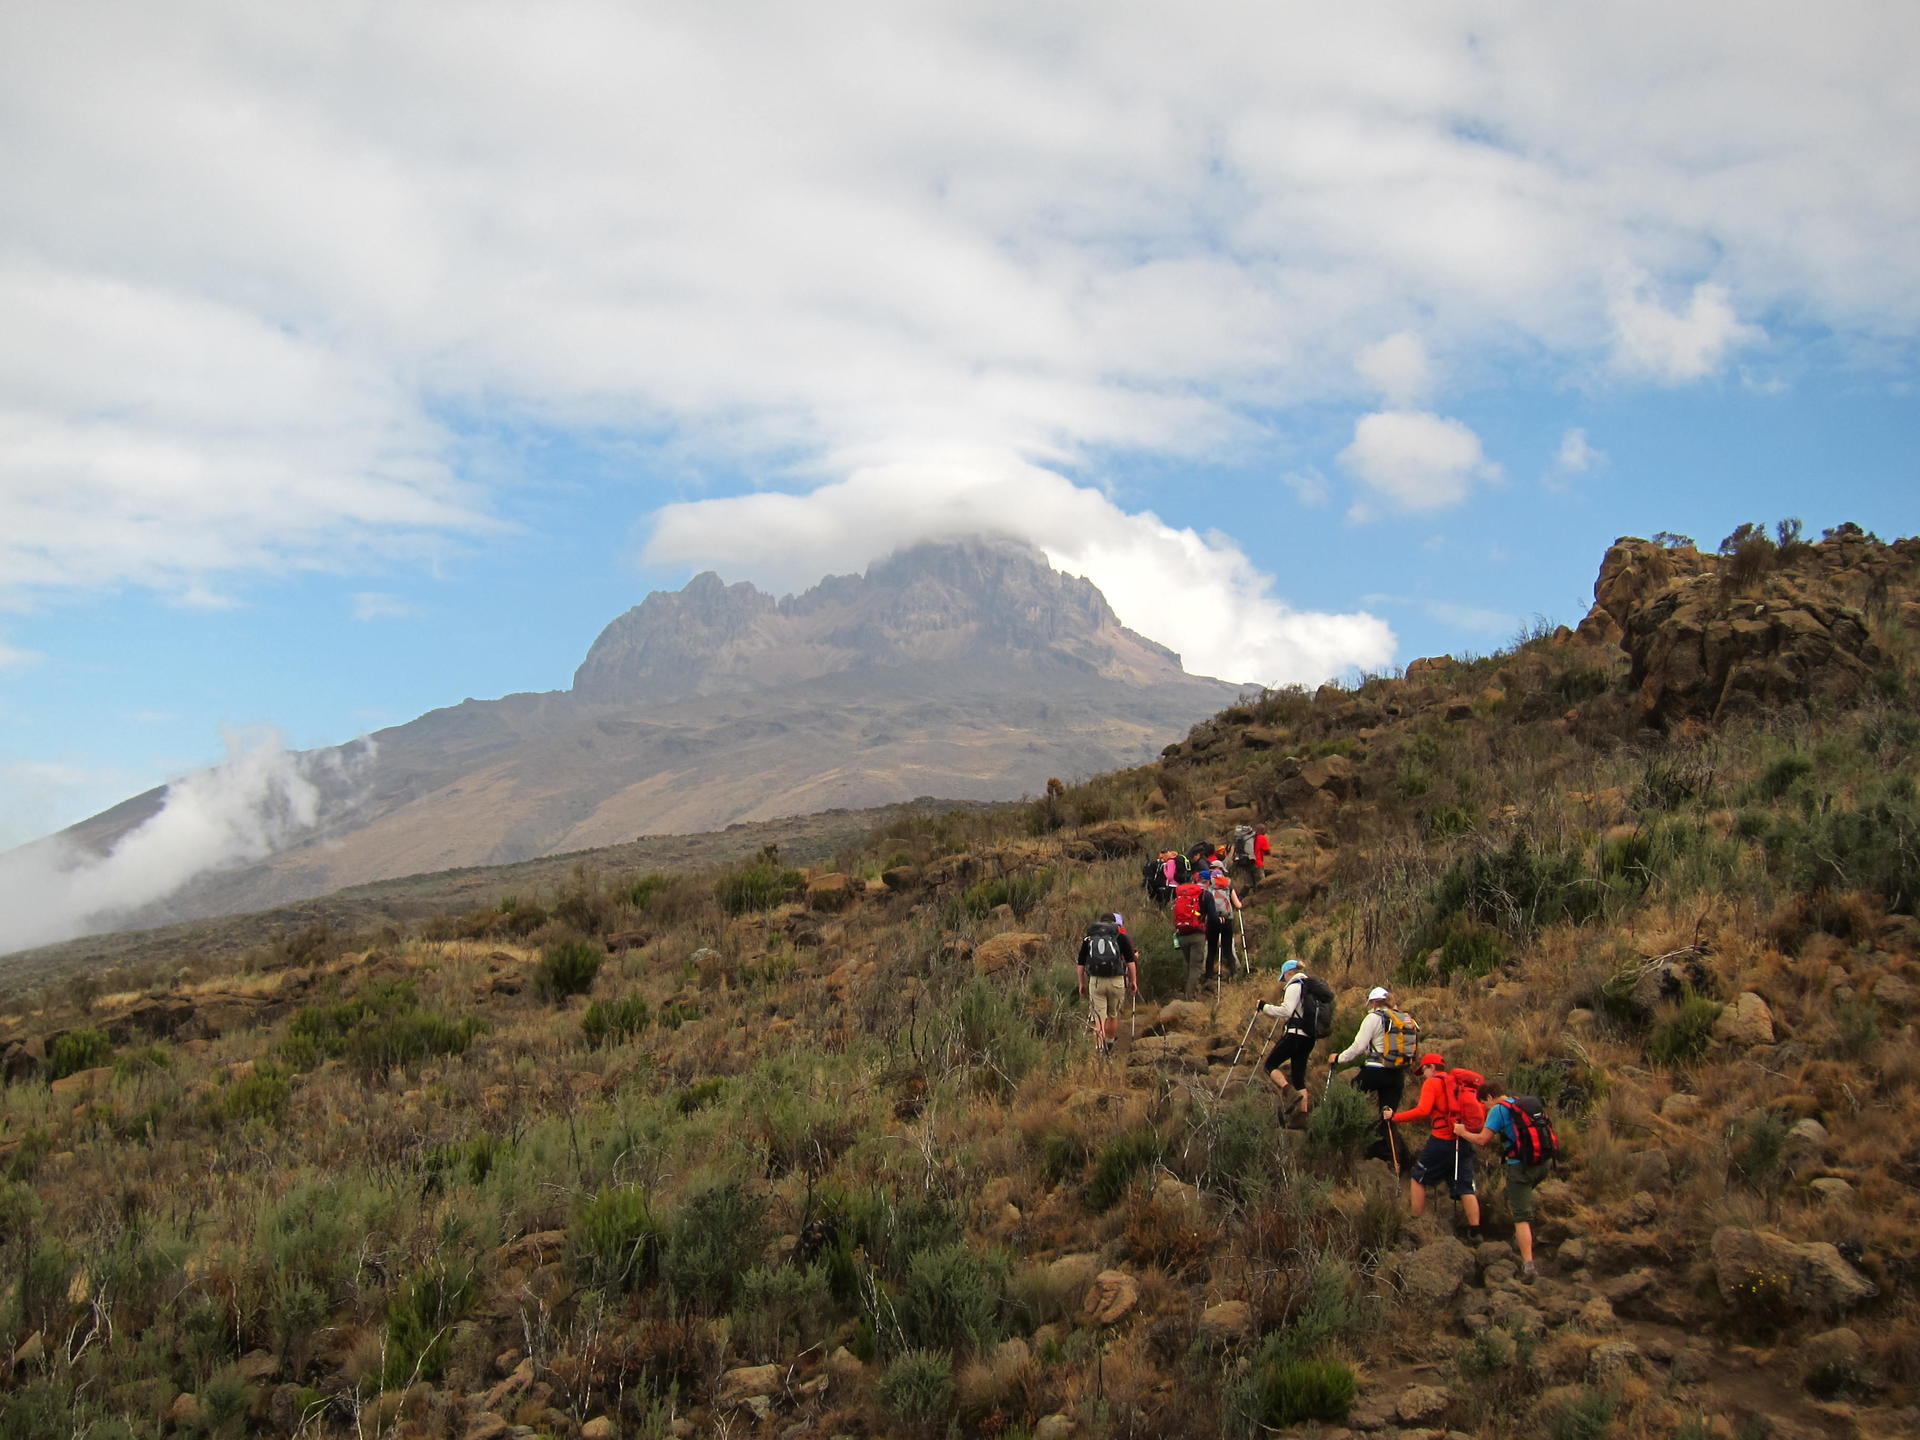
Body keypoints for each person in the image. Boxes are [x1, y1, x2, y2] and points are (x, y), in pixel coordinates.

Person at [1455, 1080, 1551, 1283]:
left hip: (1521, 1167)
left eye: (1483, 1103)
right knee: (1511, 1196)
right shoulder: (1520, 1103)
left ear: (1490, 1097)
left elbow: (1482, 1139)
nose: (1484, 1108)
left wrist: (1462, 1132)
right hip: (1544, 1163)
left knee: (1521, 1217)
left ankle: (1529, 1266)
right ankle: (1521, 1235)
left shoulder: (1498, 1110)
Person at [1386, 1054, 1486, 1239]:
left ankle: (1415, 1222)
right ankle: (1476, 1232)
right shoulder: (1458, 1083)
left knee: (1418, 1177)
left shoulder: (1432, 1083)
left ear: (1431, 1067)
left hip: (1441, 1141)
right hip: (1463, 1139)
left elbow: (1423, 1110)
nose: (1423, 1075)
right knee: (1465, 1187)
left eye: (1423, 1070)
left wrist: (1395, 1117)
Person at [1328, 986, 1417, 1163]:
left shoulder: (1373, 1018)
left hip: (1375, 1071)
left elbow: (1358, 1047)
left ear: (1374, 1002)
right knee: (1388, 1118)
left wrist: (1338, 1058)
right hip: (1396, 1074)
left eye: (1369, 1003)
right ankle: (1401, 1161)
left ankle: (1342, 1142)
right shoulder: (1402, 1018)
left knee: (1347, 1097)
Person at [1256, 958, 1323, 1118]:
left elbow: (1287, 1011)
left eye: (1284, 976)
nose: (1284, 980)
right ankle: (1302, 1116)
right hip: (1309, 1037)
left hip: (1295, 1035)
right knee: (1299, 1078)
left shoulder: (1294, 985)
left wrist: (1264, 1007)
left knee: (1270, 1065)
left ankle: (1289, 1092)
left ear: (1289, 973)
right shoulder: (1312, 988)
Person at [1076, 912, 1140, 1056]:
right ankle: (1109, 1044)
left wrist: (1081, 984)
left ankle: (1099, 1050)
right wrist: (1133, 981)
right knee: (1112, 1015)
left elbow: (1080, 964)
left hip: (1096, 981)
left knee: (1099, 1019)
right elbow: (1130, 962)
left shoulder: (1089, 938)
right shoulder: (1121, 937)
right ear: (1115, 923)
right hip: (1116, 981)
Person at [1170, 871, 1212, 997]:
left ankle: (1190, 991)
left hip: (1182, 933)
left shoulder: (1183, 894)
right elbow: (1213, 917)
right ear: (1208, 882)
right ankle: (1189, 997)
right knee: (1195, 967)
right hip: (1197, 935)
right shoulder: (1205, 895)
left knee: (1188, 965)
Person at [1204, 871, 1242, 983]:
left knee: (1211, 949)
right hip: (1227, 921)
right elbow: (1238, 905)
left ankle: (1208, 976)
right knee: (1228, 949)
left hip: (1212, 921)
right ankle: (1234, 973)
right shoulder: (1228, 887)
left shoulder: (1208, 888)